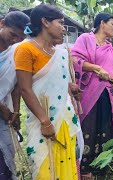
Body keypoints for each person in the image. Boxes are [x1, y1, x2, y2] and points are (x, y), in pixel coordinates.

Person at [14, 4, 81, 179]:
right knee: (45, 166)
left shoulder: (61, 53)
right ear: (45, 22)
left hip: (65, 118)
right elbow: (25, 88)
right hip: (43, 121)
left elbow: (59, 82)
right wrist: (45, 121)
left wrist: (71, 88)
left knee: (66, 163)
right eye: (60, 22)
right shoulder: (25, 49)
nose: (63, 28)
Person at [71, 12, 113, 178]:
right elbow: (75, 60)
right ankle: (85, 168)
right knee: (89, 126)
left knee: (104, 126)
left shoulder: (111, 48)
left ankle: (102, 165)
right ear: (102, 23)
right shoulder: (86, 38)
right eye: (112, 23)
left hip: (107, 94)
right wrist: (97, 68)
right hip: (89, 93)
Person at [0, 10, 29, 180]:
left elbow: (16, 84)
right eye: (12, 34)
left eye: (20, 38)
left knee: (5, 161)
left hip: (4, 115)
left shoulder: (15, 51)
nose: (15, 40)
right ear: (2, 24)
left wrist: (16, 111)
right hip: (2, 109)